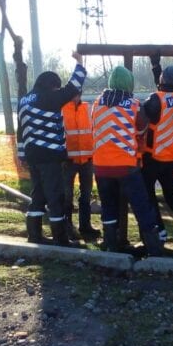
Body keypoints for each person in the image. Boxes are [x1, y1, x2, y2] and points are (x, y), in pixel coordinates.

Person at [17, 52, 86, 246]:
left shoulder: (24, 100)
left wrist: (21, 155)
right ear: (52, 85)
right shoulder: (49, 97)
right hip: (49, 155)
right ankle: (61, 238)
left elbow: (20, 130)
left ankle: (34, 235)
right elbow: (74, 87)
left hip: (32, 155)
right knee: (55, 195)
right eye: (56, 86)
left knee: (37, 194)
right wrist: (80, 63)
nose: (58, 90)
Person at [91, 66, 162, 256]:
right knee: (141, 205)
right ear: (128, 83)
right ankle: (154, 249)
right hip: (126, 165)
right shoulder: (134, 104)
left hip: (100, 166)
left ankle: (111, 245)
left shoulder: (97, 103)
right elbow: (141, 131)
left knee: (108, 206)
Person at [141, 56, 173, 247]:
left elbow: (145, 113)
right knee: (172, 194)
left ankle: (160, 232)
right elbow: (164, 89)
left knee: (148, 195)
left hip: (152, 156)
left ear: (163, 81)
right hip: (171, 154)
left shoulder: (155, 101)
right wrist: (156, 67)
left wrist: (157, 67)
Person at [62, 91, 100, 240]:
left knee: (85, 195)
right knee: (67, 196)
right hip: (68, 160)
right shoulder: (62, 109)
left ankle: (85, 226)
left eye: (77, 93)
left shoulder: (88, 108)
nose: (75, 96)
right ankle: (67, 226)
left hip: (87, 159)